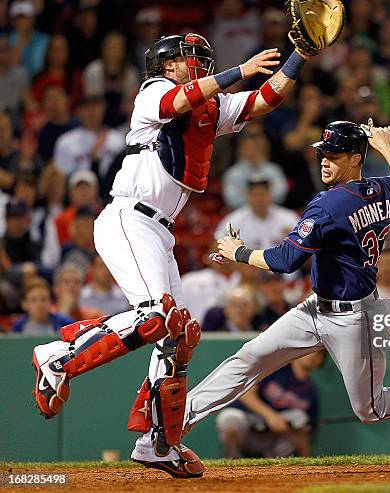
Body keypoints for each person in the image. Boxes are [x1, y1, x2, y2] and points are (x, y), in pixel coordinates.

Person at [32, 31, 318, 478]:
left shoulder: (209, 105)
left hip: (159, 230)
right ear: (168, 64)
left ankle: (158, 442)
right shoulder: (153, 92)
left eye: (202, 59)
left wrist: (301, 55)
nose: (198, 64)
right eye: (191, 59)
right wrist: (238, 70)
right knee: (155, 316)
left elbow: (265, 100)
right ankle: (58, 358)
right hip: (130, 216)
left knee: (178, 333)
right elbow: (175, 104)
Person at [177, 121, 390, 464]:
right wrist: (388, 149)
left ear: (355, 158)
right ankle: (177, 420)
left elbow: (286, 261)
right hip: (316, 308)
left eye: (334, 154)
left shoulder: (331, 205)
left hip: (357, 319)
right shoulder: (381, 190)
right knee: (250, 356)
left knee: (372, 409)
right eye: (322, 154)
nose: (325, 161)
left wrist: (238, 252)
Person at [216, 351, 324, 458]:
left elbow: (305, 433)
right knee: (229, 417)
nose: (313, 355)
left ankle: (271, 466)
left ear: (321, 361)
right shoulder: (275, 369)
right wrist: (270, 416)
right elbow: (246, 394)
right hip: (250, 426)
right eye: (310, 351)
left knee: (300, 418)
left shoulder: (311, 391)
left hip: (274, 440)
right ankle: (233, 460)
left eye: (319, 354)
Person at [214, 179, 299, 249]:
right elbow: (216, 247)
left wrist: (294, 239)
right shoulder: (234, 220)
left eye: (263, 194)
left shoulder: (289, 218)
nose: (259, 198)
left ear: (270, 194)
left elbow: (307, 251)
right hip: (248, 267)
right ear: (247, 195)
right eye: (254, 194)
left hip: (283, 268)